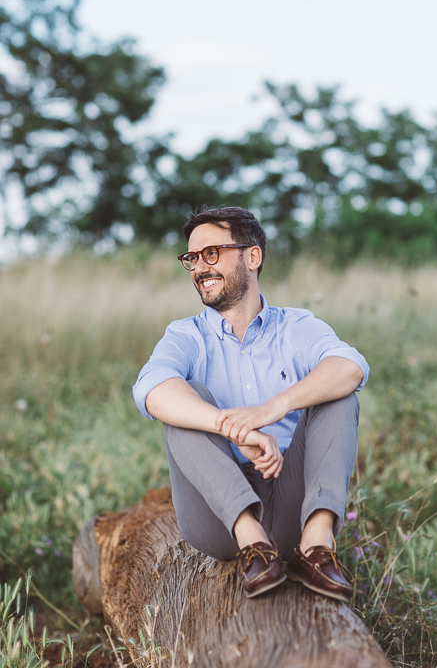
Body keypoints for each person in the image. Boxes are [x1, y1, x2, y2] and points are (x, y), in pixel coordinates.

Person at [133, 206, 369, 600]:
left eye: (212, 254)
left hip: (291, 497)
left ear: (252, 256)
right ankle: (253, 542)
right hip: (219, 518)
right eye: (191, 258)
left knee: (337, 395)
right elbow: (152, 389)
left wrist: (271, 409)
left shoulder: (296, 326)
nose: (199, 268)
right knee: (185, 403)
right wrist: (231, 428)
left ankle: (317, 545)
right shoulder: (185, 335)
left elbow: (350, 367)